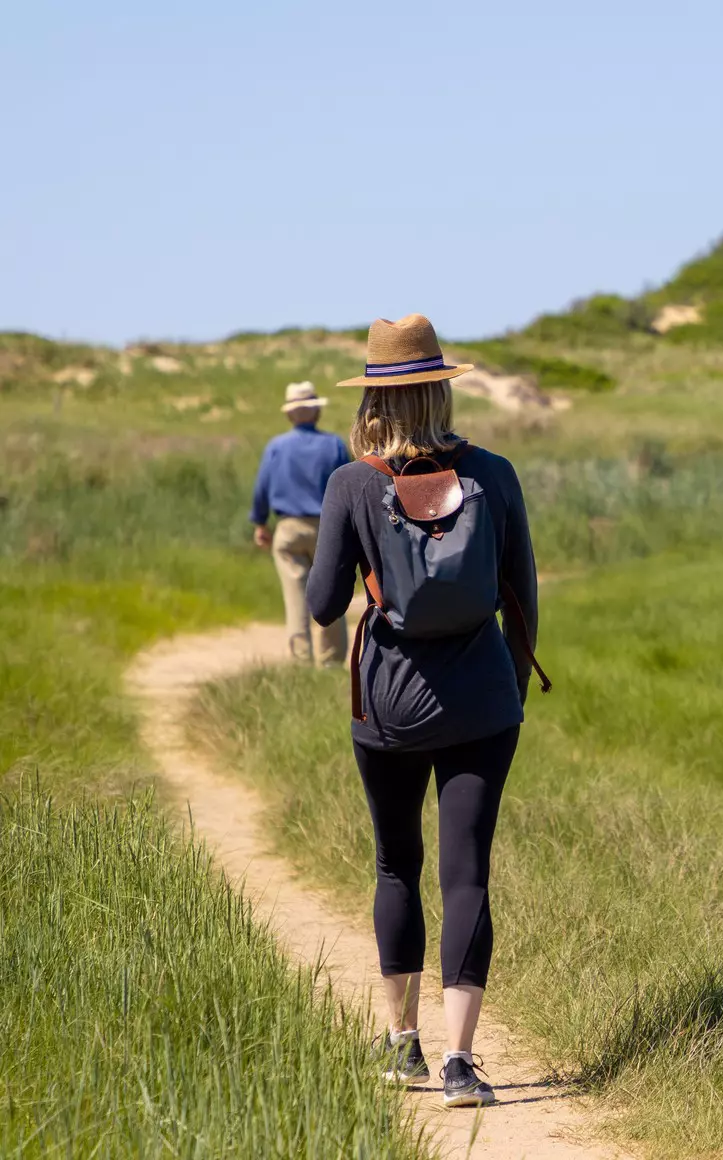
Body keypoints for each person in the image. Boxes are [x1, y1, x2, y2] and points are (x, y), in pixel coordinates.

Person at [305, 314, 539, 1110]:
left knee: (396, 863)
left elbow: (323, 606)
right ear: (443, 388)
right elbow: (523, 601)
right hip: (483, 705)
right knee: (468, 872)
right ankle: (462, 1063)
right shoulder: (496, 474)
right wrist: (501, 691)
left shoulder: (353, 482)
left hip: (388, 711)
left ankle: (401, 1045)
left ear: (373, 399)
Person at [250, 381, 351, 665]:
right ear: (317, 411)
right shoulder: (333, 444)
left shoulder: (276, 447)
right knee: (332, 594)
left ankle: (301, 659)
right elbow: (348, 488)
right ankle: (331, 660)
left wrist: (260, 523)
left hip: (289, 529)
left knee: (295, 598)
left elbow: (262, 489)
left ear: (290, 415)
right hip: (327, 531)